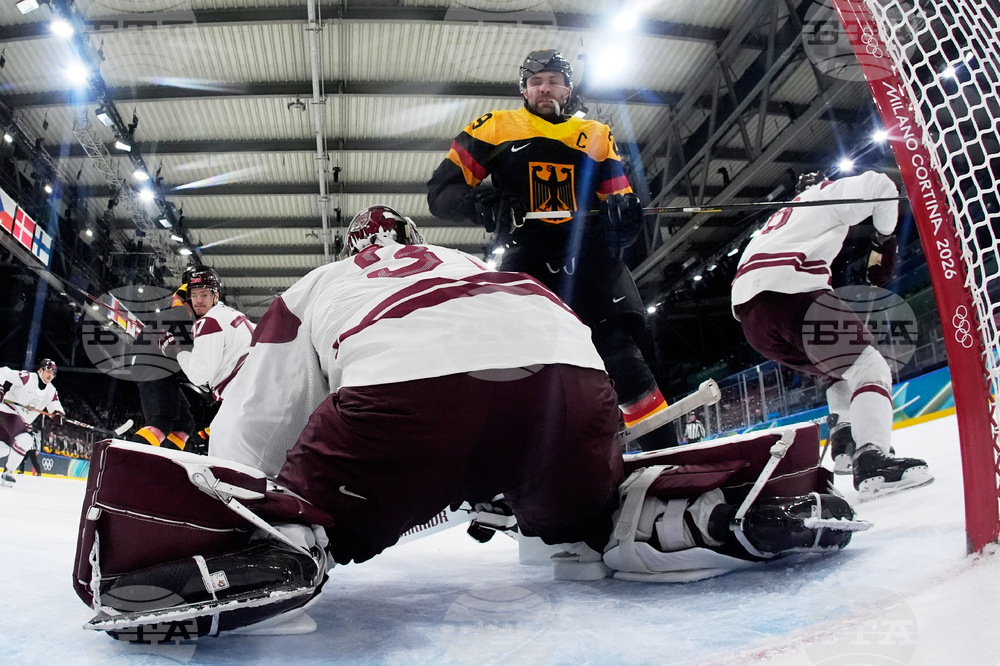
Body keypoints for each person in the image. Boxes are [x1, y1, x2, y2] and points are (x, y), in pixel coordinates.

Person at [75, 207, 865, 637]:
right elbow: (537, 350)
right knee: (579, 524)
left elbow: (263, 410)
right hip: (570, 387)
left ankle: (277, 549)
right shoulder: (471, 264)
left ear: (357, 248)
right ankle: (676, 515)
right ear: (416, 240)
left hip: (414, 402)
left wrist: (255, 494)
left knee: (304, 517)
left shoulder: (324, 279)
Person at [426, 49, 672, 450]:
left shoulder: (597, 134)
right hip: (527, 260)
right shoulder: (494, 126)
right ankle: (526, 469)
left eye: (553, 80)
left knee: (624, 363)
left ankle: (665, 455)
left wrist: (625, 218)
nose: (544, 88)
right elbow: (440, 193)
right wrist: (480, 202)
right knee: (523, 370)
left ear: (568, 88)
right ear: (524, 89)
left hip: (590, 261)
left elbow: (620, 210)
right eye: (536, 82)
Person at [731, 170, 933, 500]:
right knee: (871, 368)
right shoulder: (827, 193)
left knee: (839, 369)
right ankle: (873, 461)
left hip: (751, 320)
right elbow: (882, 186)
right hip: (792, 294)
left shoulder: (778, 219)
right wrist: (884, 245)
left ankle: (844, 439)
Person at [159, 265, 254, 404]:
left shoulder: (208, 322)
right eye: (194, 295)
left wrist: (174, 350)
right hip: (255, 388)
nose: (198, 300)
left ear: (215, 296)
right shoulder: (235, 314)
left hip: (242, 395)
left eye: (204, 295)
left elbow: (199, 376)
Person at [0, 359, 65, 486]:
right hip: (7, 414)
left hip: (18, 424)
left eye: (53, 373)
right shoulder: (28, 378)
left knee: (9, 447)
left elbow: (55, 407)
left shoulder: (51, 391)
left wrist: (59, 415)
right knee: (26, 436)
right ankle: (8, 472)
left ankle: (7, 474)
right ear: (40, 370)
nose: (50, 375)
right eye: (48, 371)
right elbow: (3, 372)